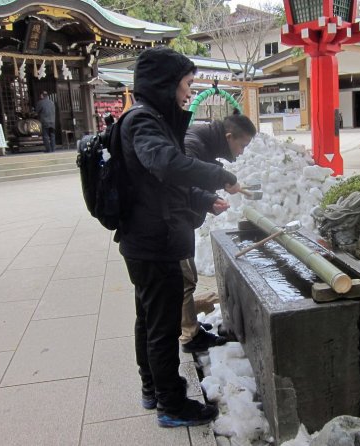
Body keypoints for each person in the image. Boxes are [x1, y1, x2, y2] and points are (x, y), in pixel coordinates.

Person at [117, 47, 241, 428]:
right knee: (162, 324)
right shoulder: (143, 121)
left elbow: (162, 185)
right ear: (165, 83)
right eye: (186, 84)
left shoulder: (150, 118)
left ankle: (153, 388)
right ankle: (171, 404)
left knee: (150, 320)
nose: (189, 93)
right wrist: (219, 176)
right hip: (153, 242)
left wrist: (206, 199)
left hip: (147, 238)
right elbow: (166, 164)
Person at [180, 113, 257, 353]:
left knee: (186, 276)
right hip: (169, 223)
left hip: (177, 221)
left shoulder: (203, 141)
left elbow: (198, 174)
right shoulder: (192, 143)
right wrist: (209, 198)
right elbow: (182, 184)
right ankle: (189, 335)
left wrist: (215, 189)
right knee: (184, 279)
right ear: (228, 137)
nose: (242, 152)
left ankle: (187, 324)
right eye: (242, 145)